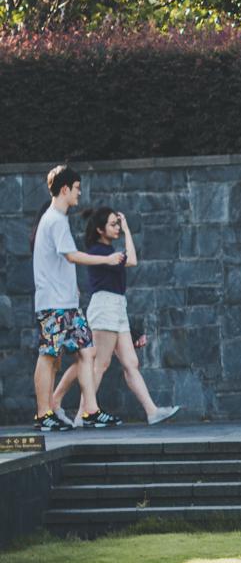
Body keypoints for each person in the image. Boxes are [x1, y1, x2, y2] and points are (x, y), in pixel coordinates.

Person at [60, 208, 179, 426]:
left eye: (118, 224)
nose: (117, 227)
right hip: (105, 307)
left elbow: (130, 261)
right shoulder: (99, 251)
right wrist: (126, 231)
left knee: (131, 362)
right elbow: (132, 260)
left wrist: (124, 231)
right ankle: (81, 414)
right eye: (113, 224)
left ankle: (152, 411)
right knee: (100, 364)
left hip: (117, 307)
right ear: (99, 229)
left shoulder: (109, 250)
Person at [31, 166, 123, 432]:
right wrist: (106, 259)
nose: (79, 193)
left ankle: (90, 411)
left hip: (67, 303)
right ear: (65, 189)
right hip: (53, 304)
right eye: (77, 188)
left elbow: (61, 261)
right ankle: (43, 415)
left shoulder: (58, 219)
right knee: (49, 356)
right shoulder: (55, 220)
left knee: (87, 351)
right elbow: (71, 256)